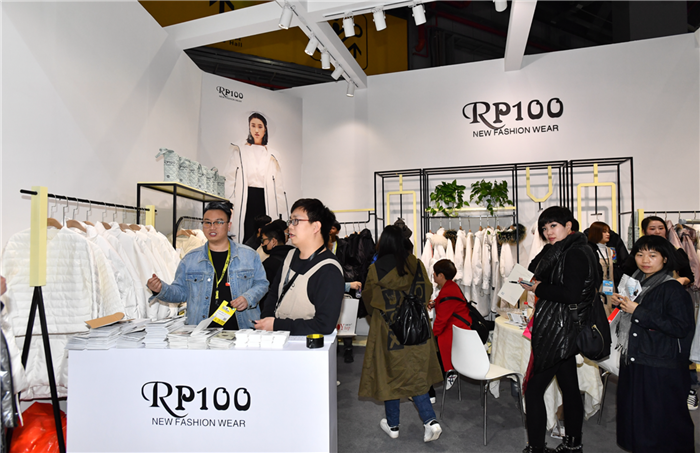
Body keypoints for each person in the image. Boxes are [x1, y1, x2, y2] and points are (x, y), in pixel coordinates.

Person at [519, 207, 600, 453]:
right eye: (544, 228)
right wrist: (549, 250)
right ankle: (573, 443)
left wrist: (538, 288)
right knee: (569, 386)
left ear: (569, 225)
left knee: (533, 390)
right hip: (561, 328)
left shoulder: (575, 253)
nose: (548, 232)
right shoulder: (561, 250)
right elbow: (533, 268)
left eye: (553, 226)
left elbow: (571, 294)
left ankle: (536, 447)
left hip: (560, 330)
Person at [358, 225, 443, 443]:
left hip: (388, 332)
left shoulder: (375, 269)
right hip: (416, 331)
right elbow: (426, 292)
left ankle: (393, 424)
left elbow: (368, 299)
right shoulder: (417, 264)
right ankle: (430, 421)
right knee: (416, 375)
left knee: (389, 375)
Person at [612, 235, 695, 453]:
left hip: (660, 364)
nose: (645, 260)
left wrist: (638, 311)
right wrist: (620, 305)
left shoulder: (672, 288)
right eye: (640, 254)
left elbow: (680, 327)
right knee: (638, 416)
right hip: (636, 358)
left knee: (663, 418)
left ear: (665, 258)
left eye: (652, 255)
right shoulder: (636, 282)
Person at [147, 201, 268, 330]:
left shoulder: (249, 255)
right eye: (207, 222)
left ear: (229, 225)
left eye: (219, 222)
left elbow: (262, 284)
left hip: (242, 330)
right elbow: (180, 292)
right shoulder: (190, 259)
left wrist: (247, 298)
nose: (212, 227)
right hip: (201, 332)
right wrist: (161, 289)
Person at [255, 198, 344, 335]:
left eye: (296, 221)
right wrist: (267, 320)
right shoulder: (290, 255)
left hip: (306, 344)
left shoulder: (329, 269)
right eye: (290, 221)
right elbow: (274, 294)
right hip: (277, 339)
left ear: (316, 227)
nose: (290, 227)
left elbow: (324, 324)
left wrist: (277, 325)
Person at [223, 112, 287, 244]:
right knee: (245, 231)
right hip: (246, 197)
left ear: (265, 129)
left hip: (265, 198)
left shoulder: (273, 155)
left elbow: (278, 185)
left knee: (265, 233)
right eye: (253, 126)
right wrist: (230, 202)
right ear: (249, 127)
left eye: (260, 126)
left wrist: (281, 210)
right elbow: (230, 178)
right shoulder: (239, 150)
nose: (256, 130)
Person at [431, 259, 471, 390]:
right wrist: (435, 303)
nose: (433, 275)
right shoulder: (451, 286)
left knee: (441, 340)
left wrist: (432, 336)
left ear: (441, 275)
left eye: (435, 273)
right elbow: (445, 301)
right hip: (458, 324)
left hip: (456, 328)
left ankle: (450, 371)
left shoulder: (447, 290)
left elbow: (441, 320)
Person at [328, 220, 362, 363]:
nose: (330, 230)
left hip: (344, 282)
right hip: (327, 284)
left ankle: (348, 348)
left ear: (337, 230)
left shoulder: (344, 245)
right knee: (330, 317)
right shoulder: (321, 245)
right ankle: (333, 346)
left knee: (346, 316)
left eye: (332, 228)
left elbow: (353, 263)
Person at [258, 221, 294, 314]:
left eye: (263, 240)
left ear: (273, 241)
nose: (262, 244)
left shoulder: (268, 264)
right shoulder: (295, 257)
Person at [587, 221, 619, 315]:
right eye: (604, 232)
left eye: (608, 232)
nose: (608, 234)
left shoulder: (610, 251)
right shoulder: (591, 250)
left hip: (610, 287)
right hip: (598, 288)